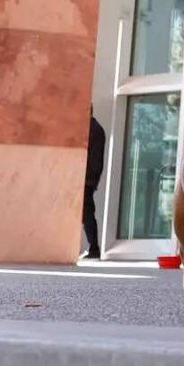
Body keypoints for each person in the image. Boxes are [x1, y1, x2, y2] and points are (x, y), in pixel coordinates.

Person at [80, 107, 106, 261]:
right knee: (86, 213)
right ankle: (93, 247)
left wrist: (88, 179)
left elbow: (95, 160)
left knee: (86, 213)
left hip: (85, 179)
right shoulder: (93, 128)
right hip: (87, 178)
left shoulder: (93, 129)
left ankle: (93, 247)